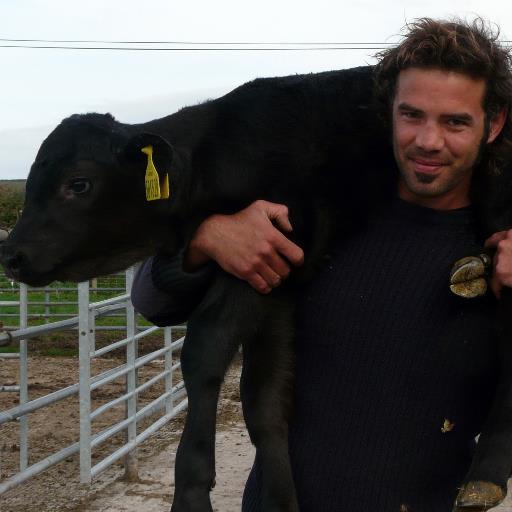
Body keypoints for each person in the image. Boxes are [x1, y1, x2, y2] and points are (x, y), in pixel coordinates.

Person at [132, 18, 512, 512]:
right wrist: (204, 237)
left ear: (494, 123)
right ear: (388, 113)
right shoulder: (318, 214)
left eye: (455, 122)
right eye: (412, 115)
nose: (428, 141)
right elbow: (152, 300)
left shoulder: (497, 250)